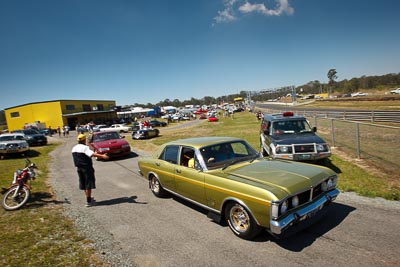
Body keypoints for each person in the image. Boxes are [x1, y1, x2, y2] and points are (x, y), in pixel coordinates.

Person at [71, 134, 109, 207]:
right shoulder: (85, 148)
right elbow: (91, 154)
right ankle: (88, 201)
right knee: (89, 184)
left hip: (79, 168)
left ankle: (89, 198)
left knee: (84, 184)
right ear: (84, 140)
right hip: (87, 168)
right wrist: (102, 156)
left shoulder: (74, 148)